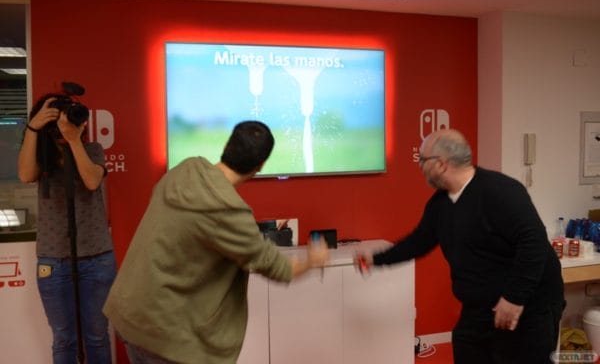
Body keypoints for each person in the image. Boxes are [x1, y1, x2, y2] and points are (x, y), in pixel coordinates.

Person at [103, 120, 329, 364]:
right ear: (261, 165)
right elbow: (278, 268)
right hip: (165, 339)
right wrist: (312, 260)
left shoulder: (186, 169)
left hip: (130, 317)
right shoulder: (229, 211)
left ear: (227, 145)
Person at [357, 129, 564, 364]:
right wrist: (377, 258)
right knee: (467, 348)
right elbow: (418, 242)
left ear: (441, 164)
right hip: (481, 308)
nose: (420, 166)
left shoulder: (501, 191)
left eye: (422, 160)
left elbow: (534, 242)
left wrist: (514, 298)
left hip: (529, 306)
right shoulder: (440, 204)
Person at [18, 94, 116, 364]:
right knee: (64, 338)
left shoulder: (92, 149)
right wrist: (33, 128)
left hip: (97, 257)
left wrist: (73, 139)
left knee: (97, 336)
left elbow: (92, 181)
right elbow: (25, 175)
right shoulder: (41, 157)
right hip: (53, 258)